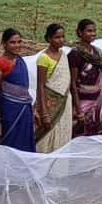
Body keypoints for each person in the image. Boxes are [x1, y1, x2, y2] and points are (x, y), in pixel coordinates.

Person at [0, 28, 35, 152]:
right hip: (8, 112)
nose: (17, 45)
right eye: (12, 42)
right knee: (9, 145)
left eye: (19, 42)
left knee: (25, 145)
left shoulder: (20, 60)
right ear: (4, 44)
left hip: (24, 111)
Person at [35, 23, 72, 153]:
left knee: (62, 134)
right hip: (50, 104)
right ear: (49, 38)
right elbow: (40, 86)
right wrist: (44, 113)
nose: (61, 40)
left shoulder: (63, 55)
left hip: (65, 102)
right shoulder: (43, 58)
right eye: (57, 37)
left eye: (63, 37)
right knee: (46, 137)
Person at [69, 18, 102, 137]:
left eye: (94, 31)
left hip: (98, 100)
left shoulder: (97, 52)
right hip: (82, 102)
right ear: (80, 32)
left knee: (96, 135)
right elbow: (73, 83)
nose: (93, 34)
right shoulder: (75, 54)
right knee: (80, 134)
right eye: (89, 31)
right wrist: (79, 110)